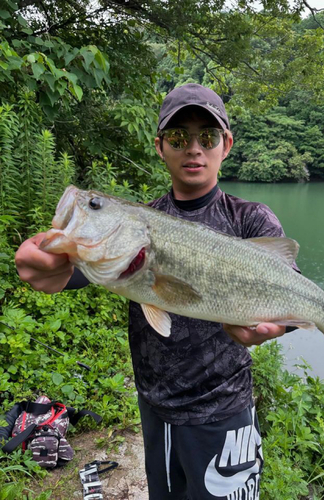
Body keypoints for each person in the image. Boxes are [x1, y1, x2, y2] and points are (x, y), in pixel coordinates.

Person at [16, 83, 296, 500]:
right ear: (161, 146)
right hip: (155, 407)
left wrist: (280, 327)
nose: (194, 149)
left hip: (223, 409)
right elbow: (67, 274)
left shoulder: (252, 220)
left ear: (227, 144)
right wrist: (43, 270)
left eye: (208, 136)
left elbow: (289, 303)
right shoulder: (141, 222)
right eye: (180, 138)